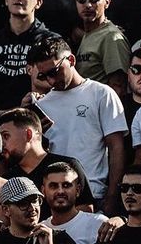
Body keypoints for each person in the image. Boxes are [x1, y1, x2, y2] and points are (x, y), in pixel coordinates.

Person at [28, 34, 128, 215]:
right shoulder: (41, 105)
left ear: (71, 60)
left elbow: (116, 147)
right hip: (53, 197)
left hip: (94, 193)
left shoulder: (101, 93)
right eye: (43, 75)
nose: (50, 80)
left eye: (54, 71)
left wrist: (113, 196)